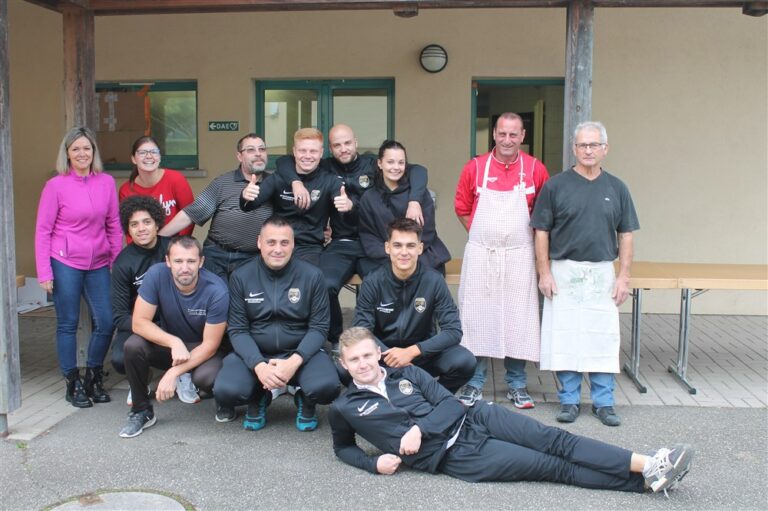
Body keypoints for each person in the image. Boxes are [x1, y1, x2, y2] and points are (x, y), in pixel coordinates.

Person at [329, 327, 694, 496]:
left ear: (378, 352)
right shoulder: (345, 407)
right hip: (458, 456)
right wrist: (372, 463)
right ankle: (644, 483)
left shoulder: (407, 372)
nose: (362, 364)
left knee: (556, 440)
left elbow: (449, 403)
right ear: (344, 364)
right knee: (553, 467)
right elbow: (343, 448)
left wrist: (419, 431)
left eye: (367, 355)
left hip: (475, 417)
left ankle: (649, 463)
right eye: (353, 360)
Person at [279, 124, 429, 350]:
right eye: (337, 145)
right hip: (342, 243)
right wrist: (296, 182)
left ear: (356, 142)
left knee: (381, 285)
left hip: (376, 242)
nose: (343, 149)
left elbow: (418, 171)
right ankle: (336, 339)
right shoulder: (326, 167)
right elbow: (283, 163)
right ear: (329, 149)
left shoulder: (371, 164)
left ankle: (379, 340)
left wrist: (415, 200)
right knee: (325, 283)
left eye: (347, 143)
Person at [531, 121, 640, 427]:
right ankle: (569, 400)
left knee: (601, 338)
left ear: (605, 148)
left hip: (603, 272)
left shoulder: (617, 188)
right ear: (574, 148)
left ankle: (604, 402)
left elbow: (627, 234)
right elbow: (541, 231)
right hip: (563, 271)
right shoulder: (555, 186)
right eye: (582, 145)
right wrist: (544, 273)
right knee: (565, 337)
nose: (588, 150)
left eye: (594, 145)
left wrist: (624, 276)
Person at [454, 112, 550, 409]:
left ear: (522, 136)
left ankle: (517, 385)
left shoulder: (536, 169)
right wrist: (485, 236)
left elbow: (544, 216)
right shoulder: (476, 168)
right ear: (494, 134)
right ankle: (474, 383)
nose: (508, 140)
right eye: (502, 133)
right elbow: (461, 207)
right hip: (483, 254)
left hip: (521, 254)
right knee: (477, 317)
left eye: (514, 134)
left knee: (517, 319)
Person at [213, 216, 341, 431]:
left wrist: (293, 361)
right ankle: (258, 398)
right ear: (259, 243)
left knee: (327, 388)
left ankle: (306, 401)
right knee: (227, 391)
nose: (278, 249)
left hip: (300, 352)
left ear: (293, 244)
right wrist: (259, 365)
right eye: (271, 242)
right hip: (257, 353)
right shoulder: (241, 276)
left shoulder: (313, 276)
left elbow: (319, 328)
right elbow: (237, 329)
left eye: (284, 242)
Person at [35, 126, 122, 408]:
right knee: (68, 323)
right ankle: (72, 383)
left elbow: (113, 225)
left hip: (98, 262)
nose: (82, 153)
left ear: (93, 152)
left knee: (106, 322)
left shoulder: (106, 182)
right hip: (65, 261)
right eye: (76, 149)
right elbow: (43, 231)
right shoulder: (56, 186)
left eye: (87, 148)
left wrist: (115, 261)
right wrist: (45, 272)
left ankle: (93, 376)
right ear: (68, 154)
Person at [119, 236, 229, 438]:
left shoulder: (217, 290)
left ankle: (223, 400)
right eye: (178, 261)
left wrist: (172, 373)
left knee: (206, 378)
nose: (184, 268)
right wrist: (173, 341)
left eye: (191, 261)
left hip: (203, 348)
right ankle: (141, 411)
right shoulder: (156, 275)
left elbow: (211, 345)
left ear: (201, 262)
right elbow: (139, 322)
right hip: (173, 347)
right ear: (168, 261)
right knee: (133, 345)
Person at [352, 218, 474, 393]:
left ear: (420, 248)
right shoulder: (373, 281)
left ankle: (435, 397)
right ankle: (394, 391)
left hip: (422, 355)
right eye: (397, 245)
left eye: (410, 246)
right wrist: (392, 357)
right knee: (344, 369)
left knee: (464, 361)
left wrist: (412, 352)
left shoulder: (434, 281)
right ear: (387, 248)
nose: (404, 252)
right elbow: (362, 330)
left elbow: (453, 331)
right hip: (385, 356)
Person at [110, 196, 199, 406]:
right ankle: (139, 379)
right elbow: (119, 316)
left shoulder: (173, 249)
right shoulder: (123, 263)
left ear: (157, 223)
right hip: (141, 325)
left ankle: (183, 374)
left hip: (177, 321)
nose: (141, 228)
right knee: (120, 359)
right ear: (128, 230)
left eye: (147, 222)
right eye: (134, 224)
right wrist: (149, 328)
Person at [159, 133, 272, 281]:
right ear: (239, 156)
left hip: (252, 258)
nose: (258, 154)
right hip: (216, 255)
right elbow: (191, 214)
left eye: (262, 149)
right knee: (215, 299)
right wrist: (157, 238)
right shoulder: (223, 183)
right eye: (250, 150)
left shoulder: (274, 184)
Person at [240, 128, 347, 267]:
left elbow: (344, 210)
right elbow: (248, 206)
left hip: (310, 249)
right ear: (294, 151)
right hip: (278, 246)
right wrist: (245, 196)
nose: (307, 156)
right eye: (302, 151)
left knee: (306, 282)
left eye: (313, 151)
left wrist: (346, 205)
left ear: (321, 153)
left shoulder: (330, 181)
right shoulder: (278, 178)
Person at [358, 140, 450, 276]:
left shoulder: (419, 194)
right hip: (384, 257)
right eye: (390, 162)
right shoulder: (369, 197)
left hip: (419, 256)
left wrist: (406, 253)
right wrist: (394, 253)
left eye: (401, 162)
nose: (396, 167)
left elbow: (428, 232)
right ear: (379, 163)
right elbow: (368, 235)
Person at [118, 135, 194, 241]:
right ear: (133, 159)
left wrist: (179, 247)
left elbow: (191, 215)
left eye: (154, 152)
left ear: (160, 157)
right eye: (142, 152)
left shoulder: (176, 179)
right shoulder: (126, 190)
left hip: (174, 247)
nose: (149, 156)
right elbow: (129, 228)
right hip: (144, 249)